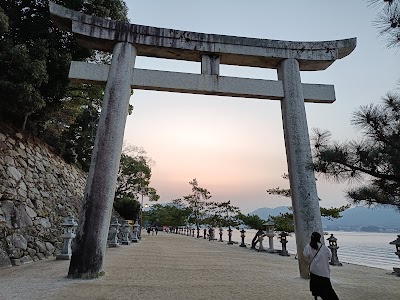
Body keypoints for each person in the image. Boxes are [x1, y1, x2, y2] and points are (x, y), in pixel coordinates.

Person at [303, 231, 339, 300]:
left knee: (315, 287)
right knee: (328, 289)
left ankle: (316, 297)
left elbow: (306, 255)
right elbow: (329, 257)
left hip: (314, 270)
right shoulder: (323, 248)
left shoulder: (308, 247)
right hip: (323, 270)